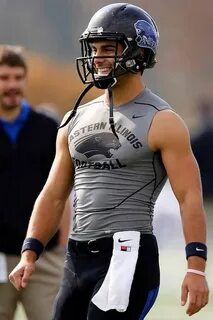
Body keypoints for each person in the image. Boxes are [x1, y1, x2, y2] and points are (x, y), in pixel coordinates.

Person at [9, 3, 209, 320]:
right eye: (94, 48)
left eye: (108, 48)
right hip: (77, 255)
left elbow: (189, 196)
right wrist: (30, 251)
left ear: (138, 52)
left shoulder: (162, 120)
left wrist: (195, 267)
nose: (97, 56)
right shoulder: (74, 118)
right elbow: (54, 193)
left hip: (127, 252)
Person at [0, 45, 71, 320]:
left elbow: (61, 191)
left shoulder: (46, 127)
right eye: (4, 78)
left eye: (18, 78)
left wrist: (63, 245)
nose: (12, 85)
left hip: (45, 255)